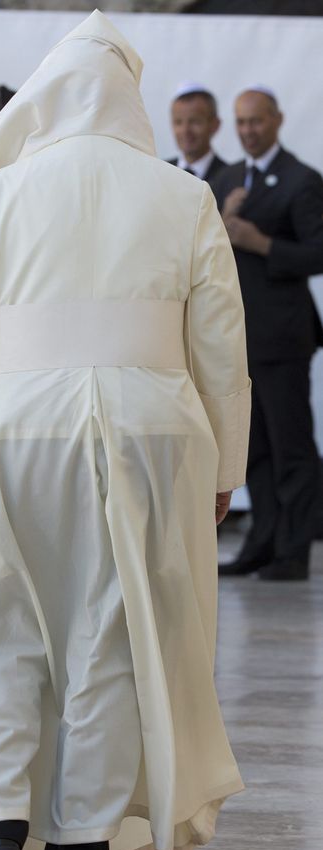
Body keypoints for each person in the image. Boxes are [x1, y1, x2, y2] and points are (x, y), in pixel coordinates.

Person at [0, 12, 250, 850]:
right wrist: (227, 467)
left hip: (13, 429)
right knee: (109, 637)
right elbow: (220, 348)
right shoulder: (182, 196)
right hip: (149, 434)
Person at [214, 87, 323, 581]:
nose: (248, 131)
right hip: (240, 339)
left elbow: (318, 254)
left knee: (291, 446)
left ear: (277, 120)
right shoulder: (230, 179)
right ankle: (261, 542)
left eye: (256, 121)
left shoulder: (302, 180)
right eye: (241, 122)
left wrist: (259, 241)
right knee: (252, 448)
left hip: (283, 338)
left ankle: (294, 551)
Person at [168, 82, 227, 183]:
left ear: (214, 125)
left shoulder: (230, 178)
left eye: (195, 122)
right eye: (178, 122)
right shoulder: (161, 172)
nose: (185, 130)